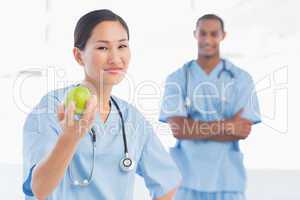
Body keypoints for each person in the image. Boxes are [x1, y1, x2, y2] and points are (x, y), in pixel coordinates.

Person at [22, 9, 181, 200]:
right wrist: (70, 138)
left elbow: (169, 184)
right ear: (79, 56)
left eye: (122, 46)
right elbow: (39, 189)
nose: (115, 58)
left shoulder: (131, 118)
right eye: (102, 48)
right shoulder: (51, 109)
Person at [159, 14, 261, 200]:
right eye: (203, 33)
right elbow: (179, 130)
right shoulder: (178, 78)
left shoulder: (240, 79)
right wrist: (228, 124)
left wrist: (193, 127)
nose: (207, 39)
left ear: (223, 36)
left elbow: (242, 130)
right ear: (195, 34)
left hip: (227, 180)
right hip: (185, 180)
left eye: (214, 34)